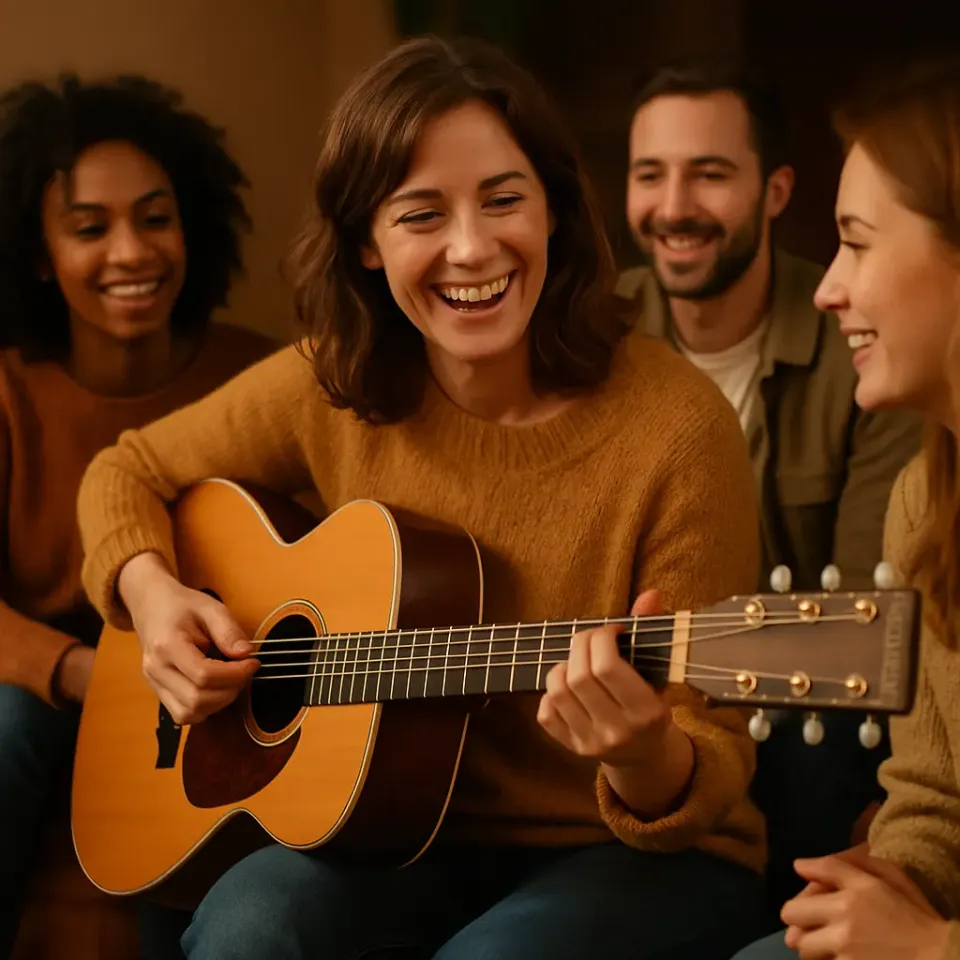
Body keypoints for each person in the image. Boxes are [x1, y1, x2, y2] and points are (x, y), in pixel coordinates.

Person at [76, 36, 768, 960]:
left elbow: (707, 759)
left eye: (504, 199)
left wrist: (642, 751)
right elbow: (124, 470)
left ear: (557, 209)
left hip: (631, 852)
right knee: (252, 928)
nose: (471, 248)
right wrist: (156, 601)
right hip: (394, 832)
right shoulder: (335, 381)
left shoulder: (679, 427)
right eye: (420, 214)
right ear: (366, 240)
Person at [618, 59, 923, 914]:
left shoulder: (864, 343)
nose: (674, 206)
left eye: (709, 174)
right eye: (651, 175)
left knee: (817, 760)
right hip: (629, 702)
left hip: (800, 711)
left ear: (777, 190)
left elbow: (873, 617)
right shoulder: (592, 337)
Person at [0, 73, 276, 955]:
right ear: (41, 253)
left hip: (209, 703)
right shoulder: (8, 393)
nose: (132, 252)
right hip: (51, 697)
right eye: (90, 227)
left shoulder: (259, 381)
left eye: (155, 219)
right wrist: (92, 673)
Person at [732, 57, 960, 960]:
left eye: (857, 242)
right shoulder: (927, 498)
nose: (827, 287)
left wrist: (929, 945)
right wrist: (881, 883)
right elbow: (937, 801)